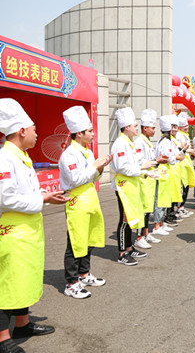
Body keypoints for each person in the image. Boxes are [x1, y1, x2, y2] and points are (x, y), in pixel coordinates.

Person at [0, 98, 68, 353]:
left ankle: (23, 324)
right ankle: (3, 338)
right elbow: (6, 198)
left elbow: (28, 192)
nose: (37, 133)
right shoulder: (5, 158)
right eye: (34, 129)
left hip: (27, 229)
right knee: (7, 284)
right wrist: (42, 198)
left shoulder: (21, 157)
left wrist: (45, 197)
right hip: (13, 230)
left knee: (23, 279)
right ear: (21, 131)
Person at [59, 106, 112, 299]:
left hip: (90, 198)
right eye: (89, 131)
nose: (92, 134)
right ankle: (71, 282)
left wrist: (100, 167)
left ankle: (84, 273)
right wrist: (95, 166)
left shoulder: (87, 152)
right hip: (76, 200)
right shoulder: (69, 154)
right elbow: (74, 179)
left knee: (89, 239)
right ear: (79, 133)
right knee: (75, 241)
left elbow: (91, 177)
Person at [111, 107, 155, 266]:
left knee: (131, 218)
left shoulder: (128, 142)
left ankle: (129, 248)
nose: (137, 127)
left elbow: (135, 164)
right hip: (123, 187)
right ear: (126, 127)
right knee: (124, 219)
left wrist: (146, 170)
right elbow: (121, 167)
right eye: (135, 125)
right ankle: (122, 252)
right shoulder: (120, 143)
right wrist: (142, 169)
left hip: (131, 185)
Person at [133, 109, 168, 249]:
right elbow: (141, 162)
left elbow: (150, 160)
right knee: (143, 210)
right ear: (145, 128)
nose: (154, 130)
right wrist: (156, 161)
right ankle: (139, 236)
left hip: (150, 180)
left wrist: (157, 160)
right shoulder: (139, 142)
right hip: (144, 179)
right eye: (152, 128)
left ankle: (146, 234)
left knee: (148, 209)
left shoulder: (146, 141)